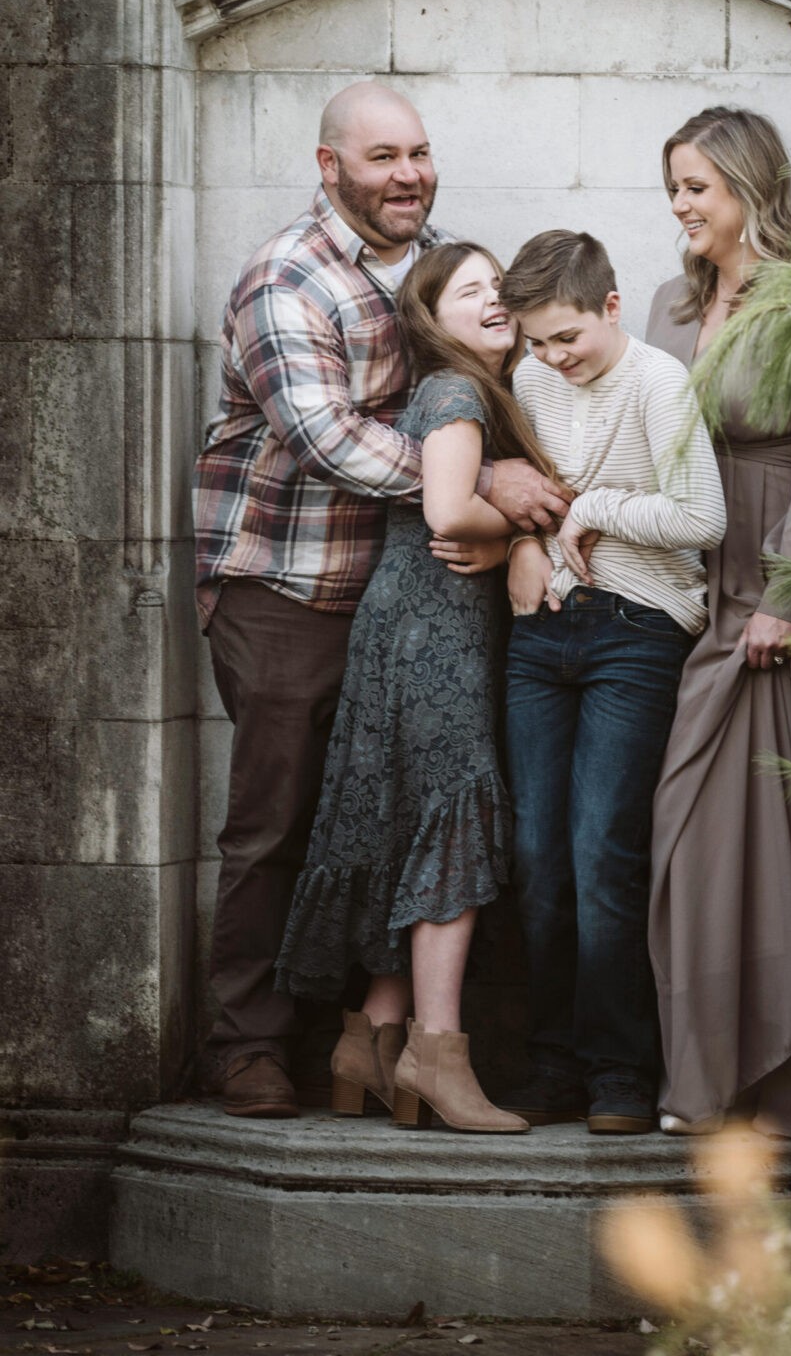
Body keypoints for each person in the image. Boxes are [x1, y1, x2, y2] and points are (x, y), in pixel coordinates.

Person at [192, 83, 570, 1118]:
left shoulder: (449, 262)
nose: (408, 174)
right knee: (277, 823)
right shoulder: (286, 277)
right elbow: (322, 437)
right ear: (331, 168)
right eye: (381, 158)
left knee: (386, 819)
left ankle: (369, 1038)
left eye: (419, 152)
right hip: (292, 583)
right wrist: (482, 489)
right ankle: (248, 1045)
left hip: (417, 596)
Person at [275, 243, 543, 1134]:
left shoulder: (463, 389)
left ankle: (369, 1040)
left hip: (410, 625)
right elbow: (445, 512)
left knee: (409, 823)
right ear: (433, 318)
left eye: (499, 286)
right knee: (454, 819)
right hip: (437, 632)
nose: (495, 299)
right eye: (472, 291)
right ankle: (437, 1051)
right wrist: (520, 534)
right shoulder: (456, 391)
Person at [645, 106, 791, 1138]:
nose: (679, 205)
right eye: (673, 187)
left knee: (756, 846)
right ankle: (704, 1072)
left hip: (766, 605)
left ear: (745, 190)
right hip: (681, 590)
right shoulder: (666, 308)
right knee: (684, 840)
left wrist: (786, 599)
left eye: (695, 187)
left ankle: (774, 1084)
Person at [497, 231, 727, 1135]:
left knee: (602, 855)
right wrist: (528, 539)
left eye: (567, 338)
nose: (552, 357)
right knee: (536, 858)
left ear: (611, 308)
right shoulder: (527, 381)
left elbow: (701, 519)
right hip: (540, 630)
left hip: (637, 630)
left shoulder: (657, 383)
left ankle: (618, 1073)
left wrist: (594, 508)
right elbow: (531, 497)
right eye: (536, 342)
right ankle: (551, 1062)